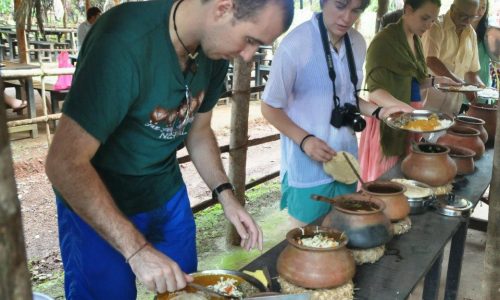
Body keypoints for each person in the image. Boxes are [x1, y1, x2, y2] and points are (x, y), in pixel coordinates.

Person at [45, 0, 294, 298]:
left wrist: (226, 195)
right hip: (100, 200)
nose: (248, 56)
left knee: (185, 290)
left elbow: (199, 133)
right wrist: (137, 250)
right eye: (250, 40)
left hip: (164, 191)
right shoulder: (122, 41)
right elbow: (64, 163)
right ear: (223, 8)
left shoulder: (213, 52)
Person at [261, 0, 407, 228]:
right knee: (310, 241)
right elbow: (269, 106)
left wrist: (380, 112)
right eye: (340, 6)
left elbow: (349, 98)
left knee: (342, 232)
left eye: (356, 10)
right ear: (323, 2)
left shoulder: (357, 43)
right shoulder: (296, 45)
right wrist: (305, 140)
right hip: (307, 167)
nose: (347, 17)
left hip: (346, 162)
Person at [358, 0, 457, 182]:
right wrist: (406, 111)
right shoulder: (383, 42)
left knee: (408, 176)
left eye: (433, 20)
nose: (428, 26)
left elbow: (413, 83)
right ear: (408, 9)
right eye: (425, 18)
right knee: (388, 181)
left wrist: (435, 81)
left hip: (409, 118)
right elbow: (374, 92)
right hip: (389, 119)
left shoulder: (415, 39)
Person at [421, 0, 484, 115]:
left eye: (472, 17)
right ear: (453, 8)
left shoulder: (471, 34)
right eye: (463, 16)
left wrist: (480, 88)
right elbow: (431, 60)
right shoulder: (436, 26)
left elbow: (471, 71)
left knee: (449, 131)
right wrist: (462, 85)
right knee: (423, 131)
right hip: (428, 101)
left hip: (452, 106)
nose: (467, 21)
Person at [472, 0, 492, 87]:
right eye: (477, 6)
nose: (479, 11)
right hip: (462, 82)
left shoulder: (489, 32)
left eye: (483, 7)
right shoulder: (459, 29)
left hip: (483, 82)